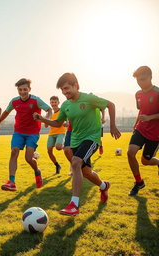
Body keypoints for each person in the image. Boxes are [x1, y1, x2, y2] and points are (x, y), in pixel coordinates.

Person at [33, 72, 121, 216]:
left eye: (67, 88)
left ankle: (74, 204)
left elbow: (110, 105)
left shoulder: (89, 98)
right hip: (75, 140)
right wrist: (42, 119)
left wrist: (112, 126)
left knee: (75, 162)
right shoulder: (66, 105)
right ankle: (104, 186)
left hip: (92, 138)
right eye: (62, 90)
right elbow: (57, 123)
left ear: (75, 85)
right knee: (86, 172)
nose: (65, 92)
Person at [0, 78, 52, 191]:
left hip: (32, 133)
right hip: (18, 131)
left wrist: (45, 120)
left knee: (28, 158)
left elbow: (49, 109)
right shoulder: (14, 101)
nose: (22, 92)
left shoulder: (36, 100)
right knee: (14, 151)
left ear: (29, 89)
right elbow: (6, 112)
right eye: (20, 90)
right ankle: (11, 182)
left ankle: (37, 172)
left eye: (25, 89)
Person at [127, 66, 159, 196]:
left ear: (151, 77)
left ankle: (157, 162)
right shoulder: (138, 94)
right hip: (141, 128)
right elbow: (141, 110)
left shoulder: (157, 92)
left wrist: (150, 118)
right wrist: (136, 124)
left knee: (145, 162)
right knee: (130, 153)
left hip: (155, 133)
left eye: (143, 79)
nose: (140, 82)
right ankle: (139, 182)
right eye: (138, 80)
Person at [46, 96, 67, 174]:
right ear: (50, 103)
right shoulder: (49, 112)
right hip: (51, 134)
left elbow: (67, 120)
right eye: (52, 102)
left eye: (55, 102)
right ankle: (57, 165)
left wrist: (66, 123)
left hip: (60, 132)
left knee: (58, 147)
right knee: (49, 151)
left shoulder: (62, 111)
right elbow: (45, 125)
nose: (54, 104)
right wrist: (45, 120)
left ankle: (65, 146)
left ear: (58, 103)